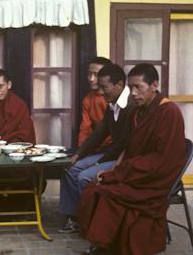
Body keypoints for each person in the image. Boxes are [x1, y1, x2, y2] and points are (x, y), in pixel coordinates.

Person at [78, 64, 186, 255]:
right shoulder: (138, 111)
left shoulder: (169, 112)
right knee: (93, 189)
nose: (134, 93)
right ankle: (107, 244)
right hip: (138, 172)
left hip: (155, 179)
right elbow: (130, 149)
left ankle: (112, 246)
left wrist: (120, 173)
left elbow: (161, 160)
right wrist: (113, 171)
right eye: (132, 87)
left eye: (139, 87)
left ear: (154, 85)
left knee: (109, 194)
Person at [58, 63, 134, 234]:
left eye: (104, 87)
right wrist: (78, 154)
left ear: (119, 85)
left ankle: (91, 223)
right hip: (111, 154)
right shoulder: (112, 102)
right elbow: (97, 134)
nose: (100, 90)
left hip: (123, 158)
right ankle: (74, 217)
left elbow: (123, 146)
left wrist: (98, 162)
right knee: (71, 168)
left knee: (84, 176)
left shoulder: (131, 106)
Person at [78, 57, 112, 147]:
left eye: (96, 75)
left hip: (113, 147)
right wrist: (81, 149)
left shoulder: (113, 98)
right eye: (89, 74)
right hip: (96, 146)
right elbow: (85, 129)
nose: (91, 79)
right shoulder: (87, 100)